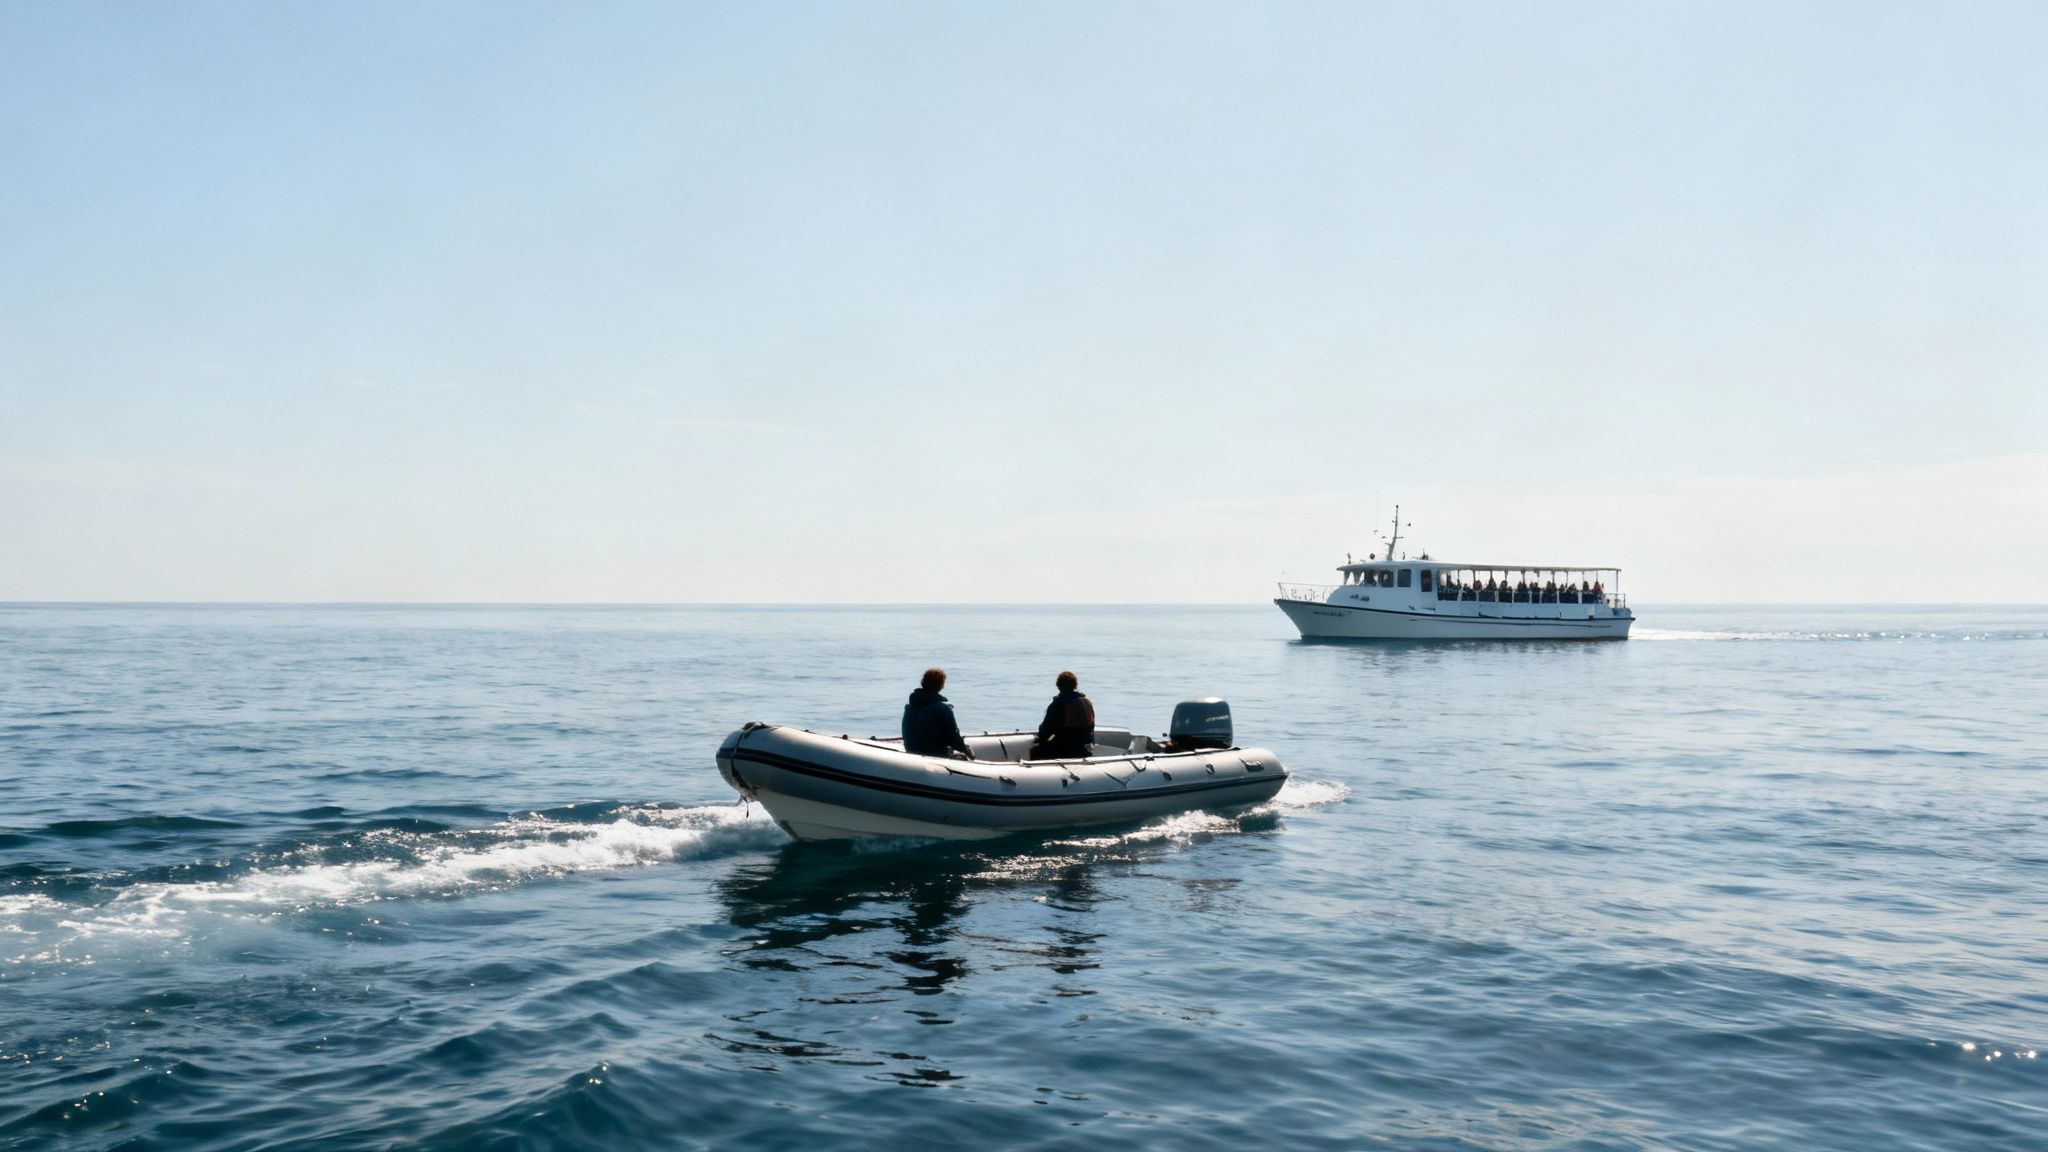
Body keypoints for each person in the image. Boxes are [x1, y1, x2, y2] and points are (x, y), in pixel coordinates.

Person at [902, 668, 972, 759]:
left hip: (912, 752)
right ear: (941, 685)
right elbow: (953, 738)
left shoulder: (910, 708)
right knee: (964, 758)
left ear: (923, 682)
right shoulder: (942, 709)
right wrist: (966, 750)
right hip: (936, 755)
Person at [1027, 670, 1096, 761]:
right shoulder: (1087, 702)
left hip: (1067, 750)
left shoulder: (1059, 704)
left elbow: (1045, 731)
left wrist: (1041, 739)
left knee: (1035, 750)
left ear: (1058, 686)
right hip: (1085, 749)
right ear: (1075, 685)